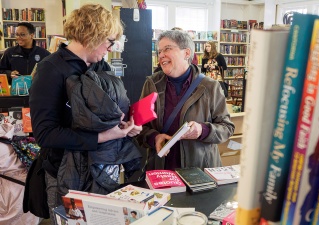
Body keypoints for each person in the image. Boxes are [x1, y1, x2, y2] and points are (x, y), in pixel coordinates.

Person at [27, 4, 141, 224]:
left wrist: (126, 126)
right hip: (64, 174)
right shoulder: (51, 69)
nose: (110, 47)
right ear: (93, 34)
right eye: (109, 41)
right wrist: (103, 136)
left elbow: (109, 111)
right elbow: (45, 134)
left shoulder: (101, 66)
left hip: (102, 168)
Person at [136, 30, 235, 170]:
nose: (161, 55)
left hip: (200, 171)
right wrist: (154, 138)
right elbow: (139, 127)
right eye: (159, 51)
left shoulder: (210, 87)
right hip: (161, 170)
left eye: (167, 49)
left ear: (187, 53)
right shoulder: (151, 84)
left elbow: (227, 128)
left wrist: (202, 130)